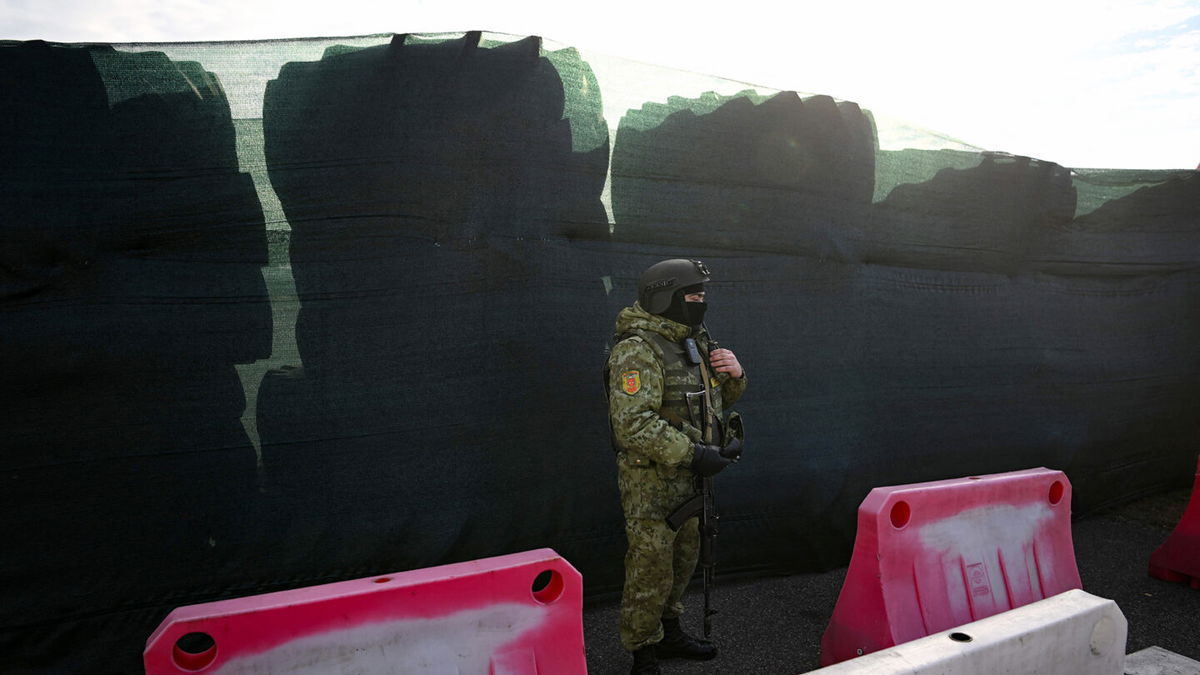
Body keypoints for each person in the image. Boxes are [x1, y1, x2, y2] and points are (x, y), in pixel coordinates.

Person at [605, 258, 747, 675]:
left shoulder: (696, 341)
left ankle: (668, 633)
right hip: (651, 482)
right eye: (693, 295)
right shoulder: (637, 348)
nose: (701, 302)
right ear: (666, 296)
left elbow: (715, 400)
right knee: (650, 566)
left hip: (692, 479)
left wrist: (735, 376)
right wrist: (693, 454)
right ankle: (642, 653)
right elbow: (632, 424)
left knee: (684, 559)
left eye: (702, 294)